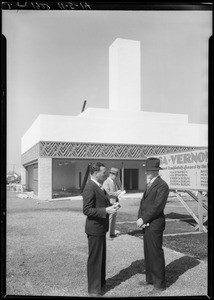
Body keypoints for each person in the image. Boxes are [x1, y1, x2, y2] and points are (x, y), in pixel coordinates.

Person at [83, 162, 120, 297]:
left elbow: (102, 202)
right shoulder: (90, 187)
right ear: (95, 173)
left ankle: (100, 284)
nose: (106, 174)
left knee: (101, 258)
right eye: (103, 172)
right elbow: (87, 210)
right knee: (95, 259)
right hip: (94, 228)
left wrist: (113, 206)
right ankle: (94, 289)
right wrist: (106, 210)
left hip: (100, 228)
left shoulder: (99, 186)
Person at [136, 157, 169, 294]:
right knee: (148, 253)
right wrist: (140, 217)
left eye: (149, 170)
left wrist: (143, 219)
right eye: (146, 170)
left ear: (156, 171)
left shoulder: (162, 185)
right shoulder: (150, 183)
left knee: (155, 253)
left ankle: (159, 284)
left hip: (155, 223)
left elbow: (157, 207)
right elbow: (143, 203)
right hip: (147, 223)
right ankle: (150, 278)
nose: (146, 172)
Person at [103, 167, 123, 238]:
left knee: (114, 219)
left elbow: (116, 191)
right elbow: (107, 193)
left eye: (116, 175)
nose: (116, 176)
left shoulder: (114, 182)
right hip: (109, 203)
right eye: (115, 175)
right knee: (109, 219)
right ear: (111, 174)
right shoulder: (106, 182)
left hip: (115, 202)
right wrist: (117, 193)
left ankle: (112, 233)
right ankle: (108, 234)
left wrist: (120, 193)